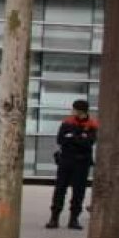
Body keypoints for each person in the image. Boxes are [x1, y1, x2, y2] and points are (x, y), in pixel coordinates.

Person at [46, 99, 97, 230]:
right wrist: (79, 138)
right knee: (60, 189)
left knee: (79, 191)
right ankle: (54, 218)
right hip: (65, 160)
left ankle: (74, 219)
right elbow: (60, 140)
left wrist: (72, 137)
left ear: (81, 111)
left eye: (75, 109)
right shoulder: (67, 122)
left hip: (82, 162)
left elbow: (89, 143)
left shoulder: (92, 124)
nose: (72, 111)